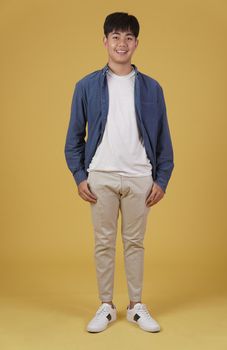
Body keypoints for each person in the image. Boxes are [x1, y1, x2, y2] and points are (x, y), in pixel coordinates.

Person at [64, 12, 174, 333]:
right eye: (115, 37)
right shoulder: (86, 86)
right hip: (101, 177)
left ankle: (137, 306)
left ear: (136, 43)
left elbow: (164, 139)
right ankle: (106, 306)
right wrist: (80, 175)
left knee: (135, 242)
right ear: (105, 42)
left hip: (141, 177)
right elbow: (73, 139)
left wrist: (161, 179)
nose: (121, 43)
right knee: (103, 241)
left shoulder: (152, 89)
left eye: (128, 37)